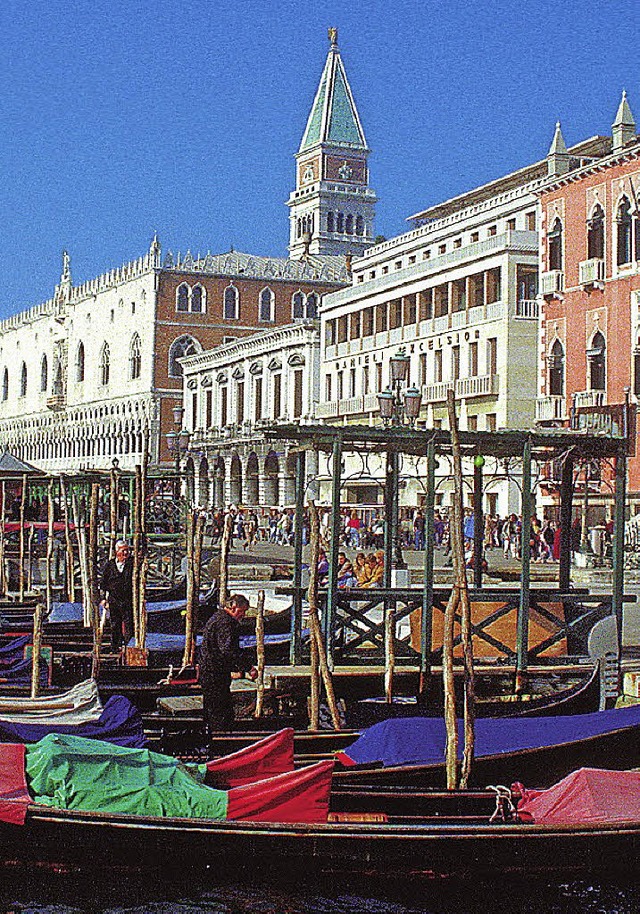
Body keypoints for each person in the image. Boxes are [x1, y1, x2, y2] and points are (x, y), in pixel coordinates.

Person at [199, 593, 257, 734]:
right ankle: (220, 739)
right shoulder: (226, 623)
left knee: (212, 707)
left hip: (209, 670)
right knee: (221, 710)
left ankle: (212, 735)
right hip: (215, 672)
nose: (243, 615)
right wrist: (248, 668)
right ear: (233, 607)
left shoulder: (217, 617)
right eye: (241, 611)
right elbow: (229, 649)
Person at [100, 540, 134, 652]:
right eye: (123, 551)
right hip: (114, 599)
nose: (126, 553)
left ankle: (130, 646)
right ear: (117, 551)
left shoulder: (132, 564)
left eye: (127, 550)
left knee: (129, 624)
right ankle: (115, 646)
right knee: (115, 623)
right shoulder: (109, 565)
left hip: (128, 599)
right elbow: (103, 583)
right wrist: (103, 599)